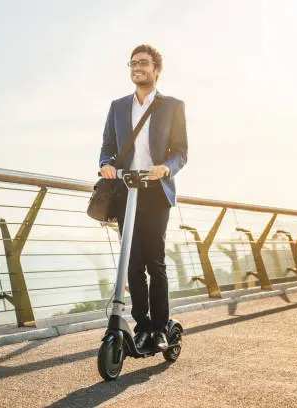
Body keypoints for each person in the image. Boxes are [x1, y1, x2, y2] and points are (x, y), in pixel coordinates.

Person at [99, 44, 188, 351]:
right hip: (126, 191)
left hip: (155, 192)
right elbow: (108, 146)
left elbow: (181, 152)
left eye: (143, 63)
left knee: (155, 261)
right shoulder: (118, 106)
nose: (136, 67)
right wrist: (106, 165)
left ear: (156, 70)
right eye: (133, 63)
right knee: (133, 264)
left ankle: (161, 326)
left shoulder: (173, 106)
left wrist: (166, 168)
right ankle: (143, 326)